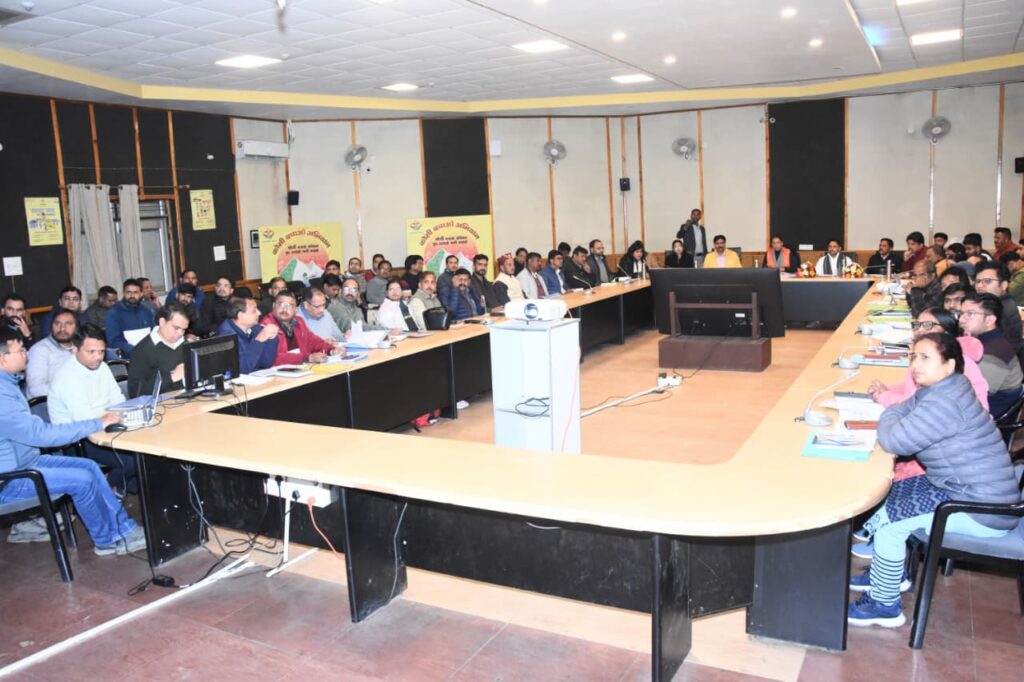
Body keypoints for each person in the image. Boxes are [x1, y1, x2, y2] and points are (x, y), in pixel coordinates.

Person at [847, 332, 1018, 628]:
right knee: (889, 492)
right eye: (914, 357)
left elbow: (894, 440)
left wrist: (888, 415)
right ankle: (891, 573)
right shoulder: (948, 387)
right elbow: (904, 410)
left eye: (925, 358)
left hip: (983, 509)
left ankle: (885, 607)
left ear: (950, 365)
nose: (915, 364)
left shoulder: (945, 402)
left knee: (890, 524)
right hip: (965, 488)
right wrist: (895, 414)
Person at [0, 328, 145, 555]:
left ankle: (119, 530)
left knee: (88, 467)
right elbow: (40, 435)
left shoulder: (8, 384)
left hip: (27, 464)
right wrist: (97, 423)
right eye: (20, 350)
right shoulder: (2, 395)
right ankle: (109, 539)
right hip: (10, 480)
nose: (26, 354)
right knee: (82, 479)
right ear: (2, 358)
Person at [47, 324, 138, 494]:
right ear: (75, 350)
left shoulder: (102, 367)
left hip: (105, 426)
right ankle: (106, 487)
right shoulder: (66, 378)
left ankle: (122, 485)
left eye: (101, 351)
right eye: (91, 352)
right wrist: (108, 415)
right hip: (78, 440)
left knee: (145, 457)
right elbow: (85, 420)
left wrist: (109, 416)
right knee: (135, 459)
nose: (97, 357)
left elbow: (118, 399)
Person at [959, 293, 1023, 417]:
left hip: (987, 412)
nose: (961, 319)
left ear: (990, 320)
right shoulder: (978, 340)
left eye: (970, 314)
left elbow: (972, 396)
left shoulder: (993, 353)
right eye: (961, 313)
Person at [126, 303, 188, 397]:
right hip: (161, 403)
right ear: (162, 322)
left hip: (189, 397)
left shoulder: (185, 343)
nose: (180, 334)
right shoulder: (142, 350)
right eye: (176, 328)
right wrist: (172, 378)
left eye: (183, 330)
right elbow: (135, 392)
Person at [261, 290, 338, 365]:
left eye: (290, 306)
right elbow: (272, 358)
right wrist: (307, 358)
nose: (285, 309)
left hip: (300, 368)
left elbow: (313, 341)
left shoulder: (299, 322)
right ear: (274, 305)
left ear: (295, 309)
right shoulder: (266, 325)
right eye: (281, 304)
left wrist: (331, 350)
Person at [24, 308, 77, 399]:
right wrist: (71, 392)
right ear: (51, 326)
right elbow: (36, 389)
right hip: (46, 402)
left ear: (76, 327)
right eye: (57, 324)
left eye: (68, 324)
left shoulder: (81, 347)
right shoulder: (39, 350)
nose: (62, 328)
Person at [972, 261, 1022, 354]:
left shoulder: (1000, 310)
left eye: (987, 281)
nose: (979, 286)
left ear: (1003, 285)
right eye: (978, 281)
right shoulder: (1002, 304)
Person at [217, 298, 278, 374]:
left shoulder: (254, 328)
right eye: (254, 311)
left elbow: (266, 363)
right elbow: (243, 369)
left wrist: (271, 338)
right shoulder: (226, 336)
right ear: (240, 315)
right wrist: (259, 340)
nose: (259, 313)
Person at [105, 279, 155, 359]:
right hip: (126, 357)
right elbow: (113, 341)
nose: (132, 295)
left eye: (135, 292)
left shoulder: (146, 311)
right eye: (128, 292)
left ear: (141, 294)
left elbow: (154, 333)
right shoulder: (114, 313)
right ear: (124, 293)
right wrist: (135, 350)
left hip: (148, 353)